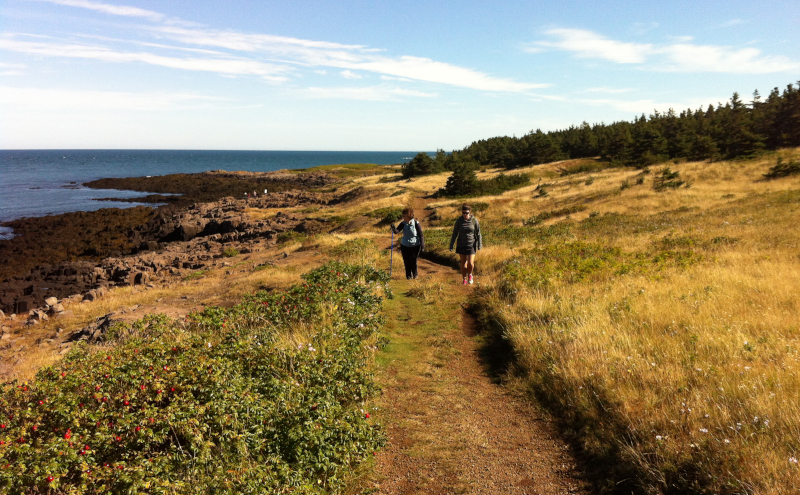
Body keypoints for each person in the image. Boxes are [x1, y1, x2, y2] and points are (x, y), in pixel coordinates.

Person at [449, 203, 481, 285]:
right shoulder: (459, 221)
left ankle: (470, 274)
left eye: (466, 213)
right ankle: (464, 279)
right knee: (463, 263)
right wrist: (451, 244)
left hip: (471, 245)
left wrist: (479, 244)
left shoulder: (474, 220)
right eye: (463, 213)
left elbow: (478, 233)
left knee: (470, 263)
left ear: (470, 212)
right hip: (461, 244)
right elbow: (455, 233)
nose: (465, 215)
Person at [390, 208, 425, 280]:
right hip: (404, 245)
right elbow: (397, 231)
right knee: (406, 261)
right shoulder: (403, 223)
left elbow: (421, 235)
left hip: (415, 245)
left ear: (409, 216)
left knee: (413, 261)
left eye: (404, 216)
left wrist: (422, 245)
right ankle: (408, 277)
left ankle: (415, 276)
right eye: (403, 216)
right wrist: (393, 229)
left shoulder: (416, 223)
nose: (403, 217)